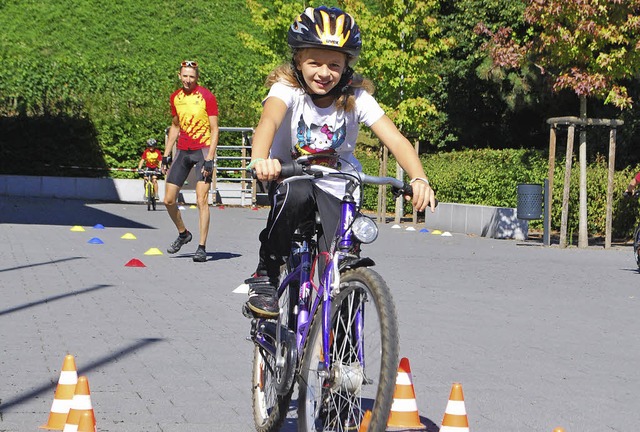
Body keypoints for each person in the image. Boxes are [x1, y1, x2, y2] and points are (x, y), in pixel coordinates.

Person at [243, 6, 436, 318]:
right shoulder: (286, 90)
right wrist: (260, 160)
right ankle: (266, 272)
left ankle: (347, 362)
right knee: (299, 193)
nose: (324, 72)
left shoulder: (356, 98)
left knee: (344, 269)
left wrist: (419, 178)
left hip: (338, 185)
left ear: (347, 66)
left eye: (334, 64)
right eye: (314, 62)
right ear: (297, 61)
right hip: (290, 175)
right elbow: (268, 122)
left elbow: (397, 140)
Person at [161, 60, 219, 263]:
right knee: (168, 200)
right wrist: (167, 153)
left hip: (202, 151)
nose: (188, 80)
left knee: (201, 199)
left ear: (197, 78)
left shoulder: (206, 97)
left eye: (191, 76)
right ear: (179, 76)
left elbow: (214, 129)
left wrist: (210, 158)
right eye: (185, 76)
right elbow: (175, 126)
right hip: (183, 151)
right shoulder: (175, 98)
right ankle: (183, 233)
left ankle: (201, 247)